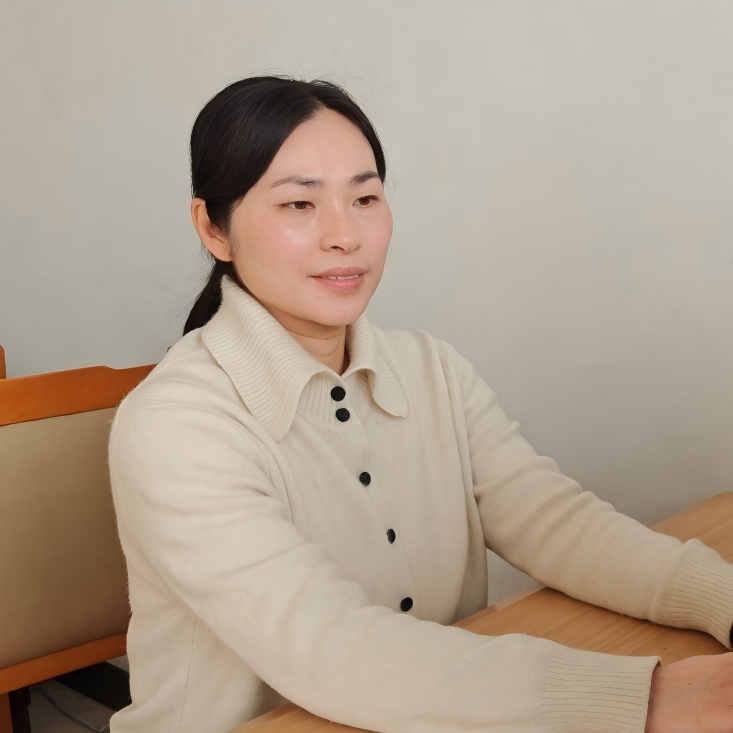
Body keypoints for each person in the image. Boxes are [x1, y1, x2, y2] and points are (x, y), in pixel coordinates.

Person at [107, 75, 733, 733]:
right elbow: (330, 648)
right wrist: (647, 698)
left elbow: (555, 524)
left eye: (365, 197)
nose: (344, 234)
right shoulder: (176, 426)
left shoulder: (432, 368)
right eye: (298, 204)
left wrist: (720, 596)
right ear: (214, 228)